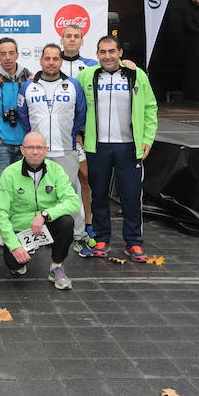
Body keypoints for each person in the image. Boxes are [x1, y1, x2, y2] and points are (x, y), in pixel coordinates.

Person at [77, 36, 158, 262]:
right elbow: (75, 104)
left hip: (129, 146)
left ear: (120, 52)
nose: (107, 56)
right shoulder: (86, 76)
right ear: (97, 55)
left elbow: (150, 108)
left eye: (112, 51)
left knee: (131, 196)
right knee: (99, 195)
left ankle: (133, 243)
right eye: (102, 52)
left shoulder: (136, 74)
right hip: (97, 146)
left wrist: (148, 139)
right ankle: (102, 238)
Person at [17, 44, 93, 257]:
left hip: (64, 150)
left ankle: (78, 236)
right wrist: (35, 139)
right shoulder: (27, 87)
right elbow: (23, 116)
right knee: (37, 196)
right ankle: (40, 234)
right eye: (47, 58)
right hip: (37, 152)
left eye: (55, 59)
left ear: (60, 61)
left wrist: (71, 134)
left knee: (70, 194)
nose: (51, 62)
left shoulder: (74, 85)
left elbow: (80, 114)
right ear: (40, 61)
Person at [0, 132, 80, 289]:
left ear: (46, 150)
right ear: (22, 150)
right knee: (14, 265)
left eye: (39, 147)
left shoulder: (56, 170)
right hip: (21, 228)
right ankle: (25, 252)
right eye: (30, 147)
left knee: (66, 221)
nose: (35, 152)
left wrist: (45, 215)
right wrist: (15, 246)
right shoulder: (10, 173)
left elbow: (73, 202)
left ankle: (56, 268)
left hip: (46, 223)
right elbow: (0, 214)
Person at [0, 37, 30, 238]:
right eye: (3, 53)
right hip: (2, 146)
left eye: (11, 53)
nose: (8, 58)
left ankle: (22, 230)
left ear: (18, 54)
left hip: (26, 146)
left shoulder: (30, 79)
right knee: (1, 191)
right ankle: (1, 231)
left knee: (24, 191)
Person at [59, 25, 97, 239]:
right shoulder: (53, 63)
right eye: (68, 36)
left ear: (82, 41)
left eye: (76, 36)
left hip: (81, 136)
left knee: (84, 178)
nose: (72, 40)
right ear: (62, 39)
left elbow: (115, 66)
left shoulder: (91, 66)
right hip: (55, 137)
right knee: (54, 182)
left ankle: (88, 222)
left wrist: (126, 62)